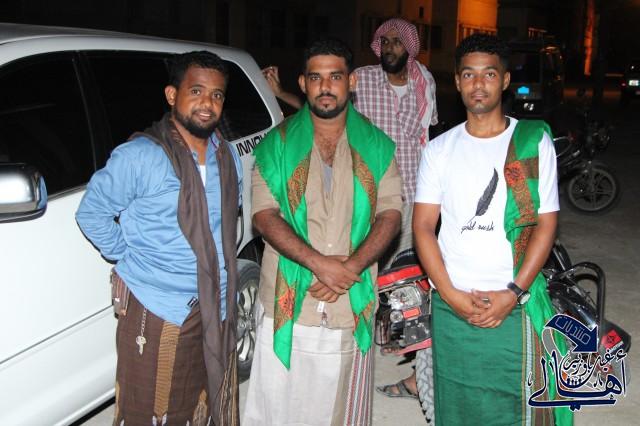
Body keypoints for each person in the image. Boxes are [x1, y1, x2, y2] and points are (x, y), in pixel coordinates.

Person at [76, 51, 243, 425]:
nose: (207, 103)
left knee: (200, 402)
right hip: (159, 305)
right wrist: (130, 256)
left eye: (216, 95)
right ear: (172, 95)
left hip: (215, 304)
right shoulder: (140, 156)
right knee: (149, 409)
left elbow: (227, 223)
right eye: (196, 91)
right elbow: (92, 213)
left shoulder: (227, 156)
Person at [243, 38, 403, 425]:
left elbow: (391, 213)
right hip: (288, 292)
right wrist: (321, 265)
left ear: (352, 82)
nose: (325, 86)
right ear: (302, 83)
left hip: (349, 294)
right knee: (278, 402)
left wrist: (350, 267)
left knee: (338, 404)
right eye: (316, 78)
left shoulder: (377, 146)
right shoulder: (276, 145)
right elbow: (264, 216)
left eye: (335, 76)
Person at [413, 33, 571, 425]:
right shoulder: (439, 149)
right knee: (457, 405)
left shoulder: (531, 143)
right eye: (468, 74)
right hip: (453, 302)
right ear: (457, 81)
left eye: (488, 74)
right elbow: (423, 227)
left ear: (504, 80)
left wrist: (513, 292)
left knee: (514, 406)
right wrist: (449, 294)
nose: (478, 83)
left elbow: (546, 224)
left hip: (513, 300)